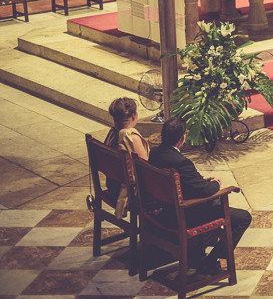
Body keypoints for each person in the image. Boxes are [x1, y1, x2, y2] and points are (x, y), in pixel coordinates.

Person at [149, 117, 252, 275]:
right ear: (182, 137)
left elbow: (184, 182)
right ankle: (209, 260)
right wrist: (216, 183)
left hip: (165, 211)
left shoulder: (155, 153)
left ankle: (198, 254)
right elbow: (205, 191)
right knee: (243, 217)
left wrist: (197, 182)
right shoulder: (181, 163)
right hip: (185, 215)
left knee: (215, 203)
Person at [103, 97, 150, 217]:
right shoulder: (131, 138)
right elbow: (146, 170)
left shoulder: (112, 133)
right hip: (127, 194)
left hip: (112, 186)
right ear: (134, 116)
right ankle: (155, 233)